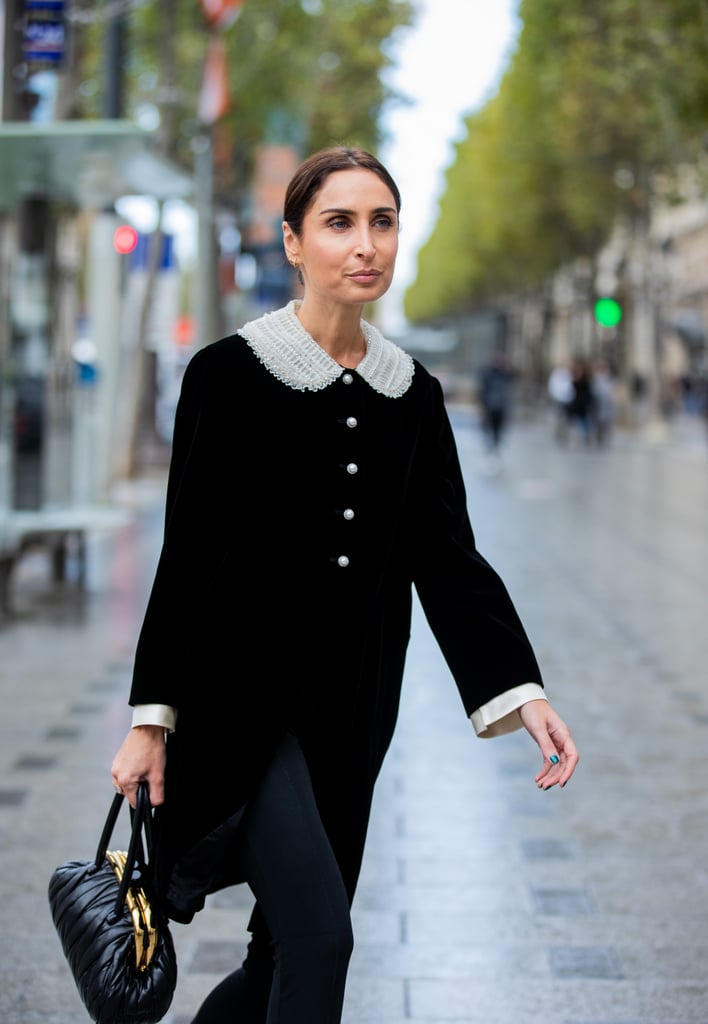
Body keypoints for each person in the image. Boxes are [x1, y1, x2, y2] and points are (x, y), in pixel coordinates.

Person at [112, 146, 579, 1024]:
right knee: (325, 942)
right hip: (240, 711)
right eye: (338, 223)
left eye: (382, 222)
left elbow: (448, 559)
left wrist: (521, 690)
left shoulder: (416, 394)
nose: (365, 244)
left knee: (283, 954)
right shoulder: (227, 374)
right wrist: (151, 721)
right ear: (292, 242)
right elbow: (187, 558)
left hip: (353, 711)